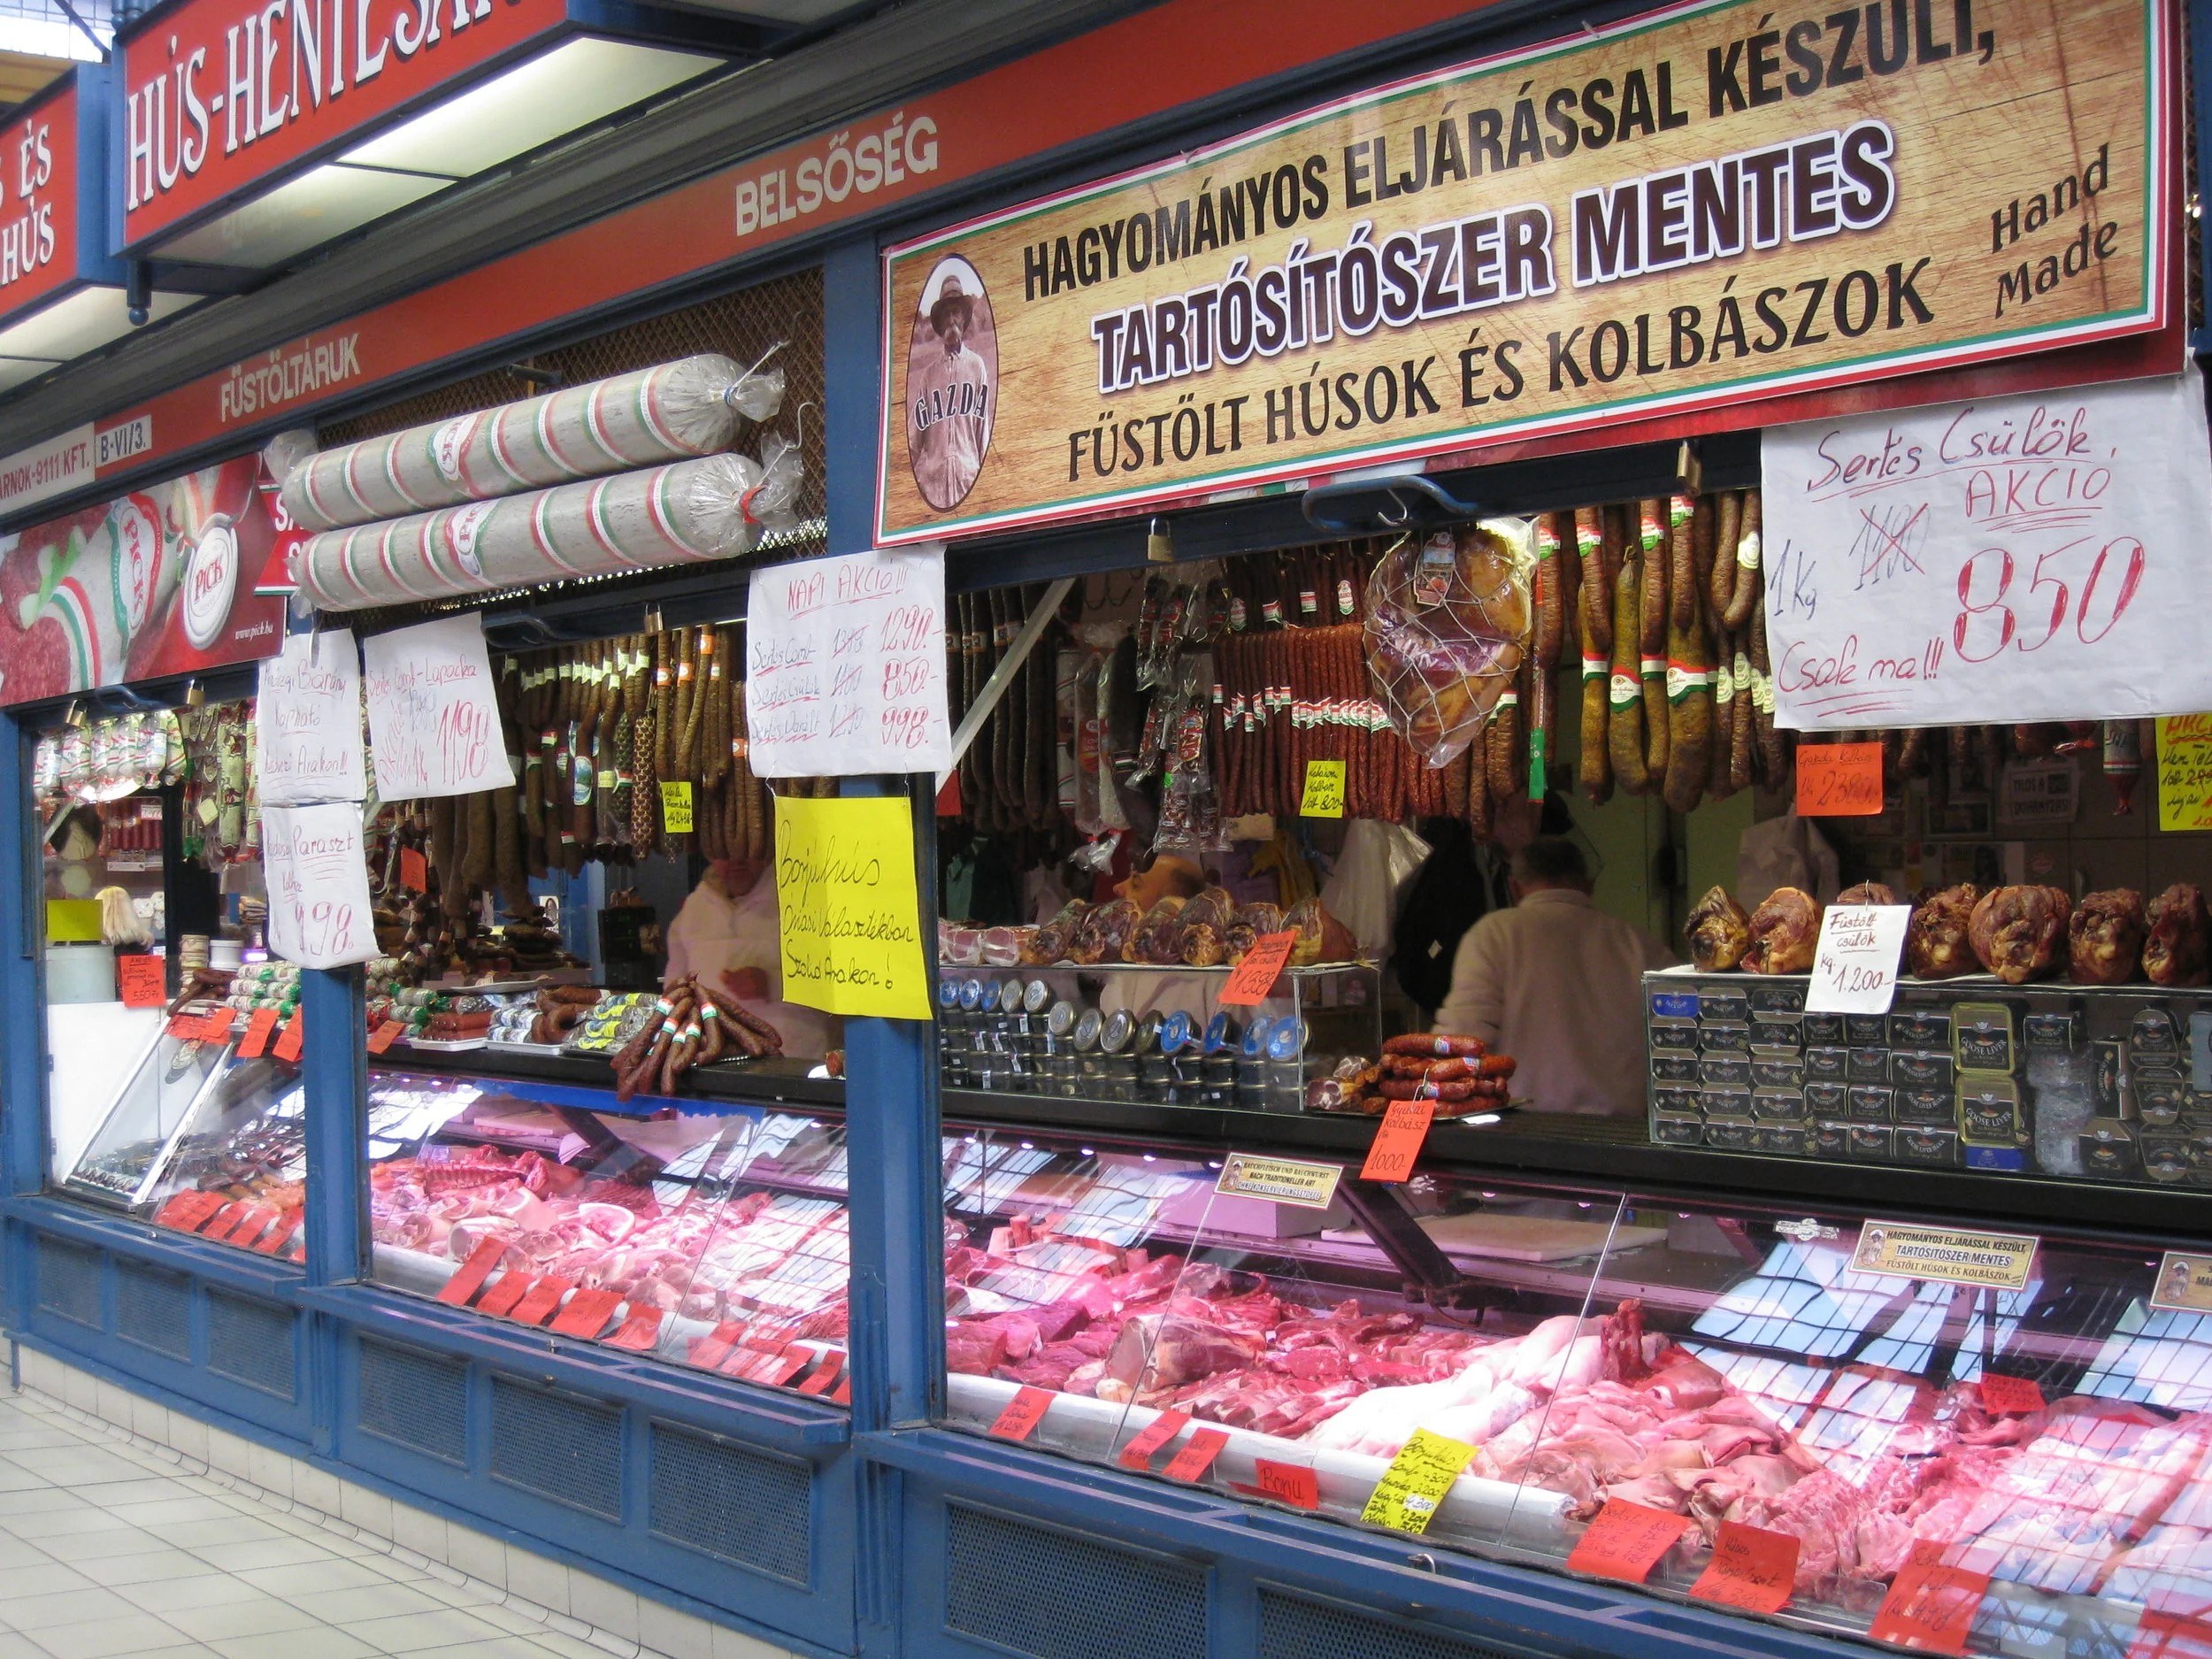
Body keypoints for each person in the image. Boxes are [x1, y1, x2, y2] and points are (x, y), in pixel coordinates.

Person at [1431, 837, 1672, 1116]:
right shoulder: (1638, 943)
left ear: (1515, 887)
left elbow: (1462, 1040)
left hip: (1527, 1129)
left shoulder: (1494, 934)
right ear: (1588, 886)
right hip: (1621, 1133)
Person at [664, 856, 837, 1060]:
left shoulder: (801, 897)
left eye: (745, 850)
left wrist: (773, 984)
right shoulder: (694, 909)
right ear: (710, 854)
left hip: (794, 1058)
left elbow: (837, 981)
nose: (736, 860)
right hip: (714, 1060)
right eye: (724, 853)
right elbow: (673, 991)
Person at [910, 273, 992, 509]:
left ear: (964, 319)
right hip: (935, 486)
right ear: (939, 322)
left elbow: (983, 430)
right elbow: (913, 441)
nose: (952, 320)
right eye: (946, 314)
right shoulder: (929, 375)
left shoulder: (976, 366)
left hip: (968, 479)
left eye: (956, 312)